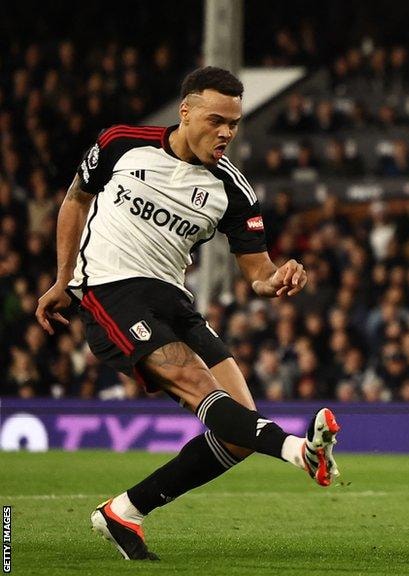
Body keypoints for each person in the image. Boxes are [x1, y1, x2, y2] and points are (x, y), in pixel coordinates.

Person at [34, 67, 341, 561]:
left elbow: (257, 273)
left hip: (173, 301)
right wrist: (63, 278)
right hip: (110, 290)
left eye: (235, 124)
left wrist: (276, 277)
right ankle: (299, 452)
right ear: (186, 112)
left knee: (238, 431)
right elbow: (76, 199)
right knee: (202, 389)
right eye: (216, 120)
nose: (226, 133)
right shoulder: (121, 143)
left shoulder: (232, 190)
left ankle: (124, 512)